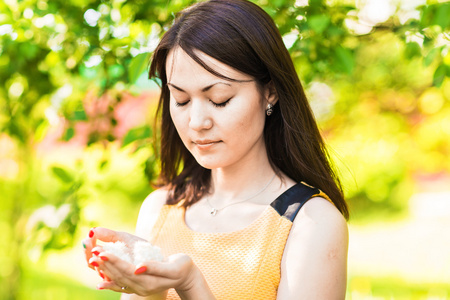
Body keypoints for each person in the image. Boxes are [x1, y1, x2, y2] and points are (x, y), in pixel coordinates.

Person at [83, 0, 349, 299]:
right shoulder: (160, 209)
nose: (196, 122)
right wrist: (150, 290)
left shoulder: (310, 222)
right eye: (181, 100)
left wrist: (190, 285)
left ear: (270, 92)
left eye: (220, 99)